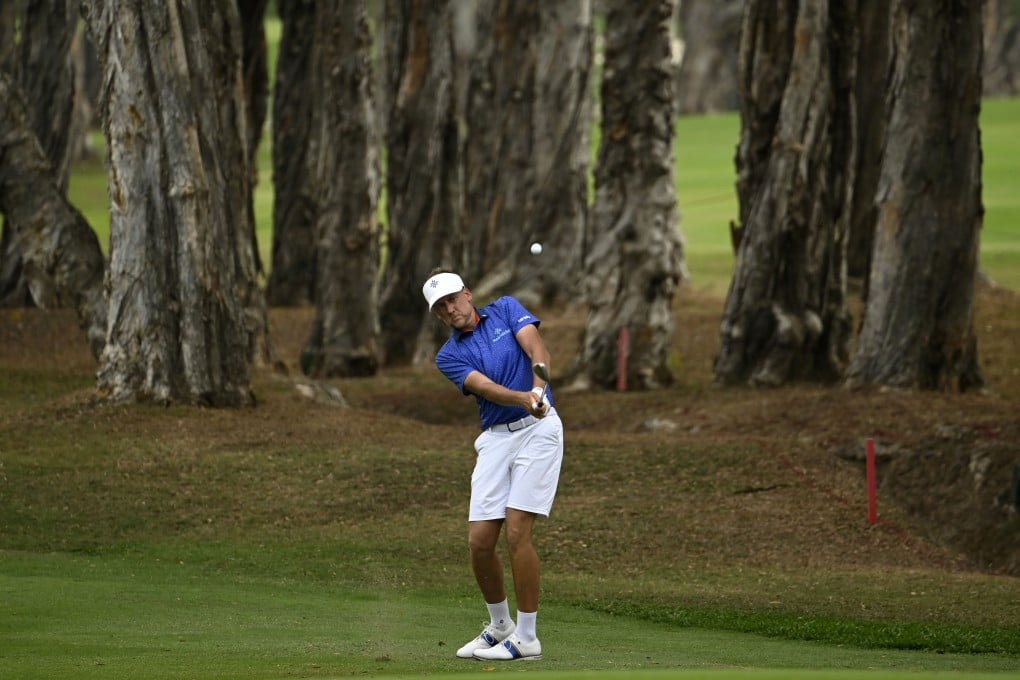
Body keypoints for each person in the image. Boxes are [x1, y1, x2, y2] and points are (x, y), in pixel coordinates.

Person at [422, 269, 564, 661]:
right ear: (438, 315)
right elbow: (485, 388)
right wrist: (523, 399)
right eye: (441, 307)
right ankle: (501, 626)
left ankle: (529, 637)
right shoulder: (448, 355)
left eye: (453, 299)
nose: (451, 309)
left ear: (467, 293)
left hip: (539, 432)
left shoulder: (505, 309)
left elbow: (538, 351)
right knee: (480, 541)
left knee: (517, 531)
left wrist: (538, 390)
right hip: (496, 439)